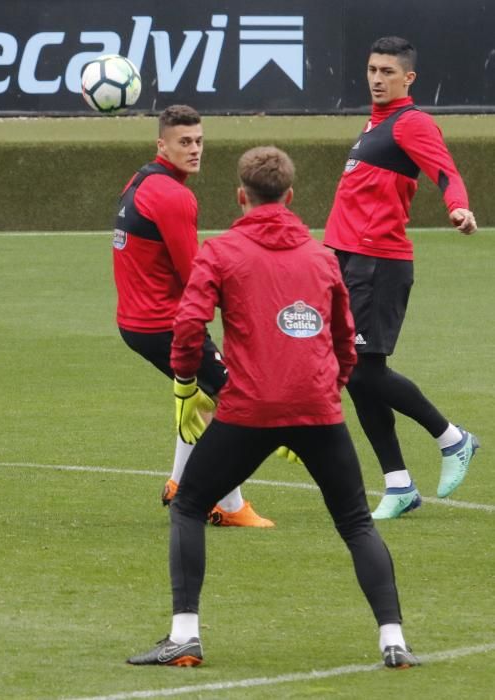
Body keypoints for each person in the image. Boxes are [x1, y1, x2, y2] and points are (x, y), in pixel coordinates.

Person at [127, 146, 418, 669]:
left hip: (248, 410)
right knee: (355, 523)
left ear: (241, 196)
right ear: (291, 196)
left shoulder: (221, 252)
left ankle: (185, 636)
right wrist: (330, 387)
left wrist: (187, 383)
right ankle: (393, 641)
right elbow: (345, 339)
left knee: (190, 505)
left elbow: (190, 325)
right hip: (318, 409)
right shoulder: (321, 257)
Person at [324, 37, 479, 520]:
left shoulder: (412, 122)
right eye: (372, 68)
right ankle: (399, 485)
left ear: (407, 78)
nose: (376, 77)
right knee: (355, 375)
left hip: (379, 263)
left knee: (367, 370)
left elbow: (446, 172)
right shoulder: (374, 124)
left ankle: (453, 439)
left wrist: (458, 207)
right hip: (349, 261)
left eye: (387, 71)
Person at [112, 104, 272, 527]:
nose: (195, 149)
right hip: (165, 324)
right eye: (184, 142)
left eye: (199, 141)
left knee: (200, 398)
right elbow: (195, 273)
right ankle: (227, 504)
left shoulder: (143, 178)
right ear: (161, 144)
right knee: (236, 400)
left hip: (140, 322)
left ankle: (182, 482)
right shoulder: (174, 196)